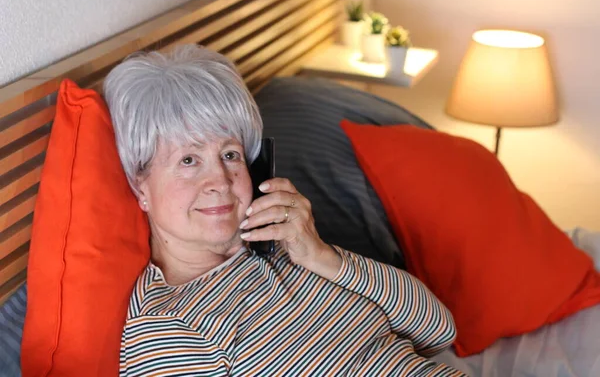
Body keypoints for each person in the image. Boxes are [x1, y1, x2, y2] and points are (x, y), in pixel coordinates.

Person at [103, 44, 466, 376]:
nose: (222, 181)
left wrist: (322, 255)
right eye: (188, 160)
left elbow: (438, 330)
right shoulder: (169, 329)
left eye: (230, 154)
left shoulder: (286, 245)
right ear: (141, 185)